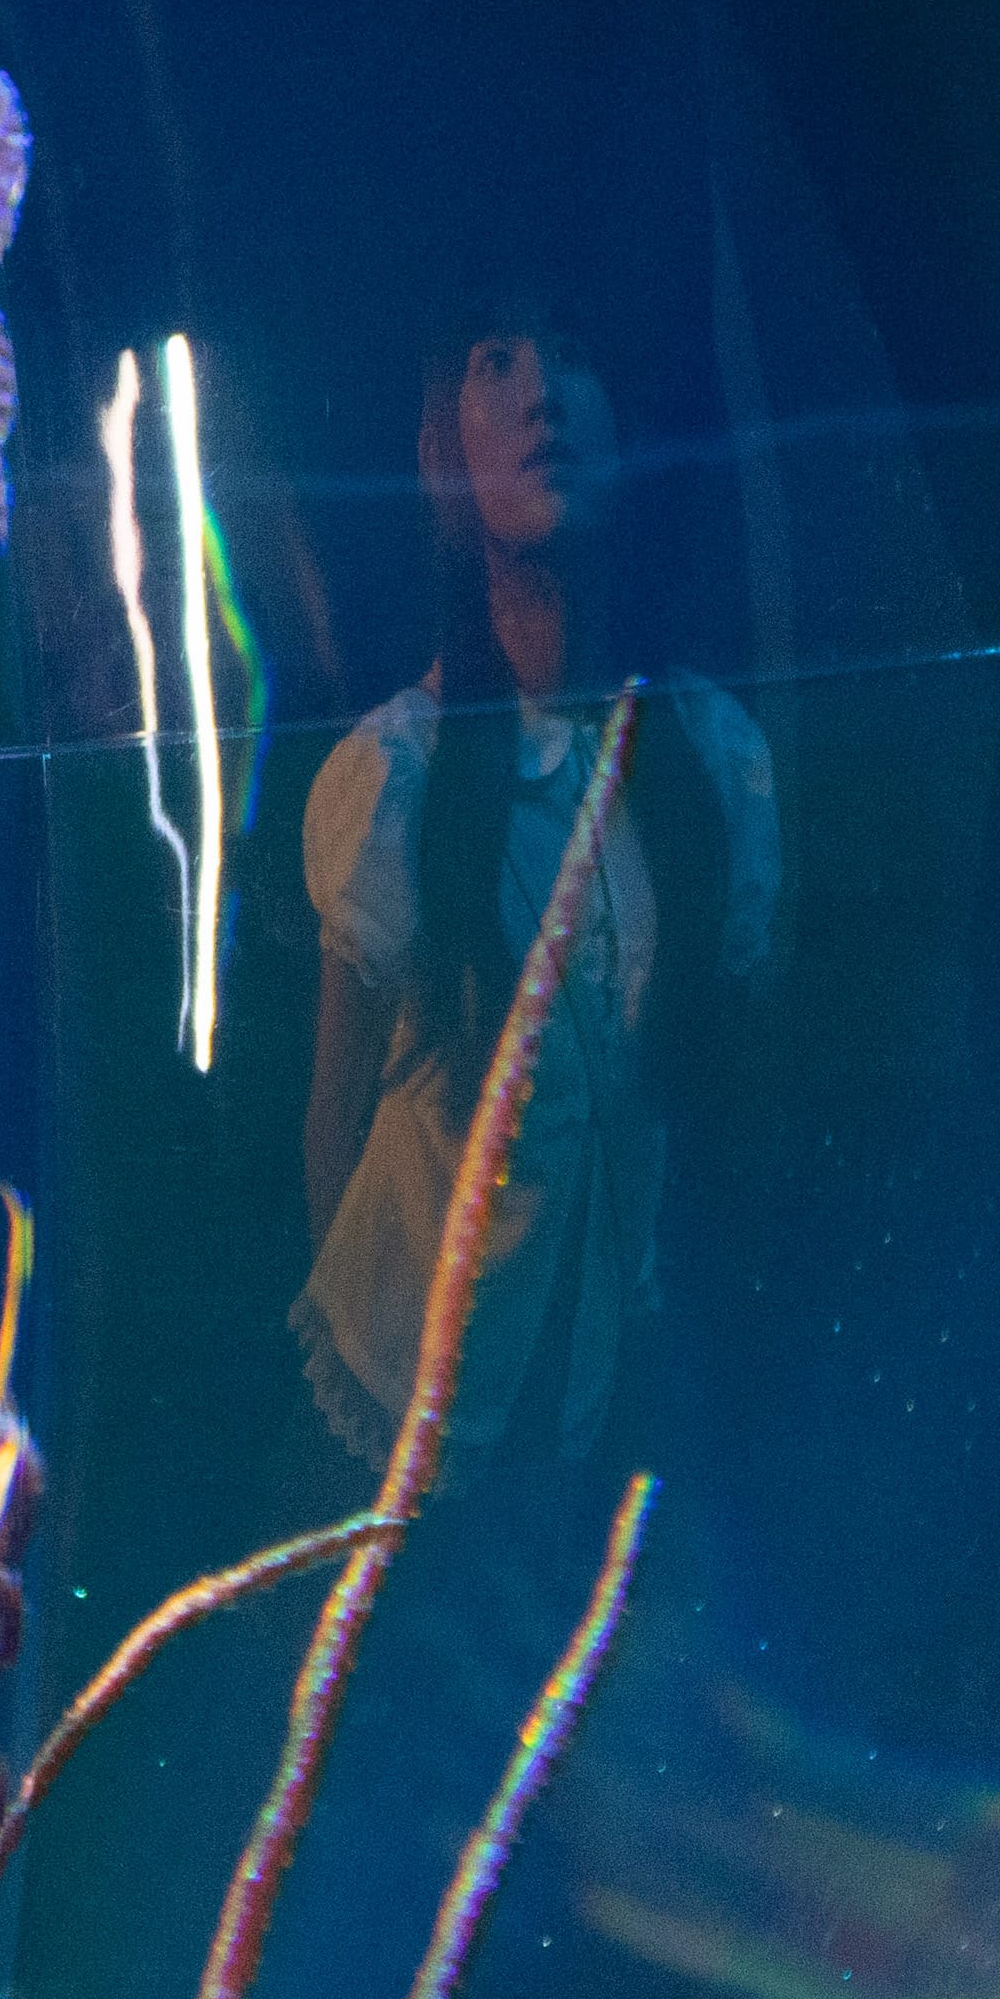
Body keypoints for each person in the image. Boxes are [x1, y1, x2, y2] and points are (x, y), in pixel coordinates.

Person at [298, 296, 777, 1477]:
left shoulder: (714, 755)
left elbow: (720, 1093)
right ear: (441, 449)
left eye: (572, 355)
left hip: (610, 1384)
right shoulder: (398, 774)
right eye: (495, 361)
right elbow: (334, 1116)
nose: (542, 395)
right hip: (403, 1396)